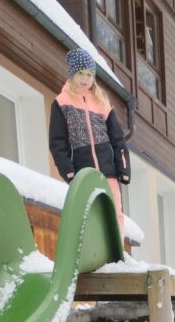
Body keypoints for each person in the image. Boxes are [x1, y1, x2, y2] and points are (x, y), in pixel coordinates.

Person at [49, 48, 130, 233]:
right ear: (72, 73)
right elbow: (57, 143)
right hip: (83, 173)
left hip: (108, 172)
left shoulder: (101, 103)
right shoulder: (61, 103)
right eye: (80, 73)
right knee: (89, 212)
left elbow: (118, 139)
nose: (85, 79)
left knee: (114, 211)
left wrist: (123, 168)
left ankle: (117, 254)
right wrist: (69, 173)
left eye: (89, 74)